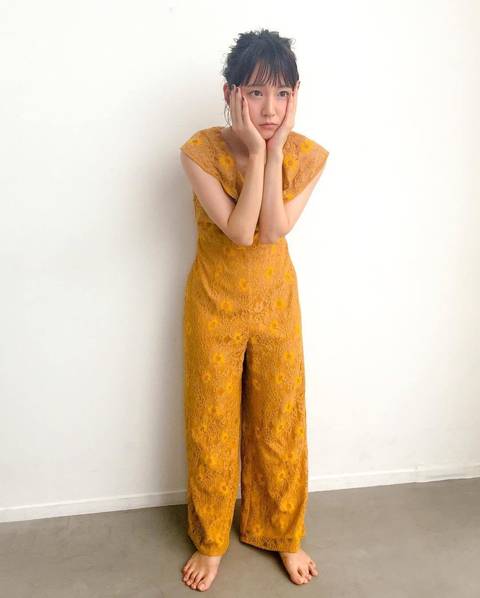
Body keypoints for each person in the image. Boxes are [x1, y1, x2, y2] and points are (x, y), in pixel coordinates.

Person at [179, 28, 329, 591]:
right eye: (257, 92)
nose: (270, 109)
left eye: (282, 93)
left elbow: (274, 229)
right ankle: (211, 541)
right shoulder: (200, 152)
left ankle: (283, 533)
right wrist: (258, 152)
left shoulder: (306, 155)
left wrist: (274, 151)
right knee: (212, 425)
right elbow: (241, 232)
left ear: (295, 96)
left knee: (280, 423)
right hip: (213, 306)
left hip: (276, 307)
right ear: (231, 93)